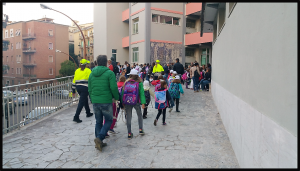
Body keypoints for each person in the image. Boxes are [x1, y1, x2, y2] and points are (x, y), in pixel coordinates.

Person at [88, 55, 119, 151]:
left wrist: (92, 99)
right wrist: (117, 97)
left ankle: (99, 143)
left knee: (98, 121)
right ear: (106, 63)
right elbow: (113, 87)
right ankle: (100, 138)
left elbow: (89, 88)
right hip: (106, 101)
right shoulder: (110, 73)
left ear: (97, 63)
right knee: (109, 120)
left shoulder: (91, 74)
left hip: (95, 101)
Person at [121, 69, 146, 139]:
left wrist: (122, 102)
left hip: (127, 102)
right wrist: (143, 103)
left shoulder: (126, 82)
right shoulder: (139, 83)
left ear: (130, 75)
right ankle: (140, 130)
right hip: (136, 102)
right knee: (139, 115)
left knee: (128, 117)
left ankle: (129, 133)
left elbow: (123, 93)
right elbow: (142, 94)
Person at [72, 59, 93, 123]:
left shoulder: (77, 71)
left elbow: (74, 80)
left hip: (78, 88)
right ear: (86, 65)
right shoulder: (88, 70)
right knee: (81, 102)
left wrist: (73, 90)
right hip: (85, 88)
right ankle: (76, 116)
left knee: (84, 99)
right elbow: (91, 79)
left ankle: (88, 112)